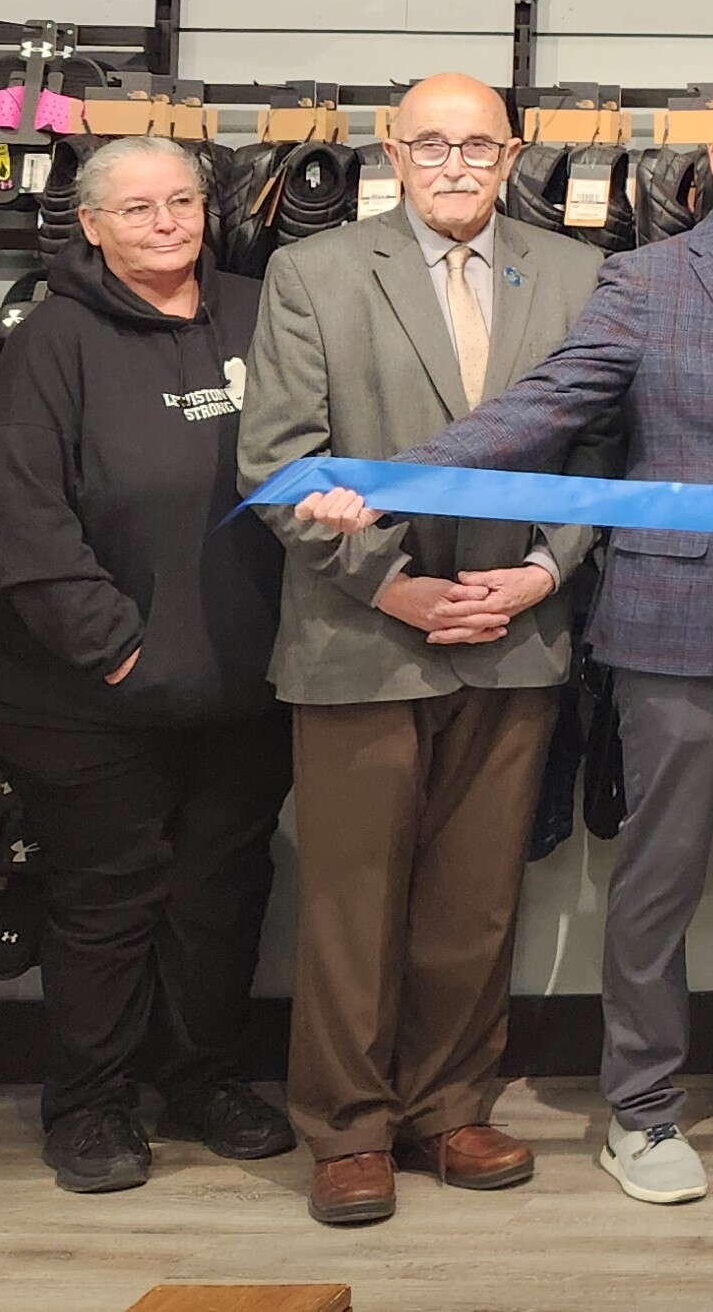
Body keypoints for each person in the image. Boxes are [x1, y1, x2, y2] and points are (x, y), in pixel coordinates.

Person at [295, 92, 713, 1206]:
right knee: (659, 878)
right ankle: (646, 1106)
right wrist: (395, 479)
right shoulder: (648, 280)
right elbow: (550, 407)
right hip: (678, 622)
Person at [238, 73, 608, 1230]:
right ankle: (346, 1128)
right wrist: (396, 585)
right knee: (352, 897)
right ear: (393, 151)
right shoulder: (315, 272)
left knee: (476, 896)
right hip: (362, 636)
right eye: (432, 143)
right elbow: (280, 462)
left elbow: (600, 446)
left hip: (515, 630)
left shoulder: (575, 273)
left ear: (512, 155)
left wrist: (546, 570)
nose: (456, 163)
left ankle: (450, 1104)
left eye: (478, 145)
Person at [0, 135, 294, 1195]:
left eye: (182, 201)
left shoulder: (261, 312)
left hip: (247, 684)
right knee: (108, 896)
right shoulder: (53, 338)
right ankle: (92, 1102)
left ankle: (206, 1077)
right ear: (91, 224)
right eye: (137, 206)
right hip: (89, 693)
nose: (165, 221)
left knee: (222, 891)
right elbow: (15, 519)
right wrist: (121, 649)